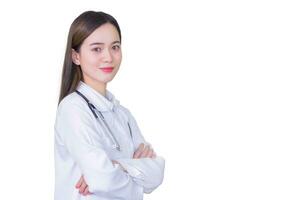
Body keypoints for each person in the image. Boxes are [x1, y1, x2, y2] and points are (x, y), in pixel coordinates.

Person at [54, 11, 165, 200]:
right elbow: (102, 180)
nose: (108, 57)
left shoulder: (123, 114)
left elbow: (157, 172)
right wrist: (136, 172)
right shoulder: (72, 109)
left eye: (115, 47)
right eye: (97, 49)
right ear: (76, 56)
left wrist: (119, 165)